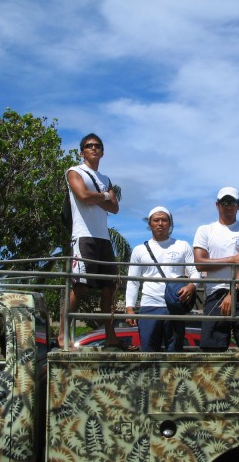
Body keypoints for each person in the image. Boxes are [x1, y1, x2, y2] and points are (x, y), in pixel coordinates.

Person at [58, 133, 120, 349]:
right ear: (81, 152)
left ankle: (110, 335)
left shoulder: (105, 179)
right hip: (84, 236)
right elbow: (83, 196)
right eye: (89, 145)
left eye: (97, 146)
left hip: (104, 238)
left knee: (110, 288)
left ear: (102, 151)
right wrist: (104, 196)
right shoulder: (75, 171)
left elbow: (115, 207)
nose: (94, 148)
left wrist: (100, 198)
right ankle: (63, 334)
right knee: (81, 286)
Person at [124, 207, 200, 352]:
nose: (160, 223)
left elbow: (195, 272)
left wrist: (191, 286)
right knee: (148, 353)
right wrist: (129, 308)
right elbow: (133, 281)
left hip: (174, 306)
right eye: (156, 220)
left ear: (170, 223)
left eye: (164, 220)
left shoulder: (182, 245)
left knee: (174, 353)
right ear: (150, 223)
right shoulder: (139, 250)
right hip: (149, 306)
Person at [193, 187, 239, 352]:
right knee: (212, 350)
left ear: (238, 206)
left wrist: (232, 293)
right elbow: (200, 263)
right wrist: (233, 259)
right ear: (217, 205)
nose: (228, 206)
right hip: (214, 293)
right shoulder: (204, 230)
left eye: (232, 202)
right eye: (224, 202)